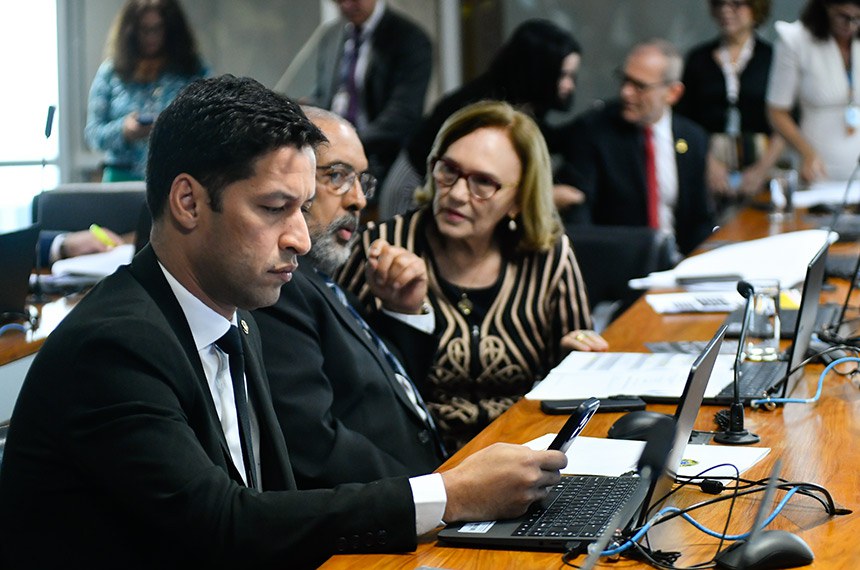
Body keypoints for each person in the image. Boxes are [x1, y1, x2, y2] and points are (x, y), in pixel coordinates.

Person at [0, 75, 567, 569]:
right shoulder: (115, 345)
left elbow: (277, 500)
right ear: (188, 203)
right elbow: (223, 524)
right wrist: (449, 494)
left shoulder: (236, 318)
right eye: (274, 209)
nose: (299, 237)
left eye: (302, 207)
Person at [338, 100, 606, 452]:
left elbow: (578, 363)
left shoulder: (546, 254)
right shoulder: (382, 248)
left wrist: (576, 356)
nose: (456, 194)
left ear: (518, 199)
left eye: (483, 182)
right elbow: (349, 379)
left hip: (523, 450)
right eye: (448, 170)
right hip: (422, 460)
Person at [254, 107, 445, 487]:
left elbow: (387, 395)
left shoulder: (322, 279)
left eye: (361, 180)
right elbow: (314, 446)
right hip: (388, 507)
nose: (358, 199)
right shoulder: (279, 287)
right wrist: (439, 493)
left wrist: (403, 310)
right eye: (338, 176)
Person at [382, 18, 584, 218]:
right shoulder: (485, 107)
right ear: (540, 72)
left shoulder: (524, 104)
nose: (569, 85)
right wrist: (547, 197)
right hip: (416, 186)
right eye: (563, 75)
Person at [559, 39, 715, 256]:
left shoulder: (693, 138)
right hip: (619, 262)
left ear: (673, 93)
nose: (626, 92)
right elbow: (580, 221)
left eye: (639, 86)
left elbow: (700, 220)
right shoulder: (594, 131)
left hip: (680, 262)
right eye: (625, 80)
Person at [308, 0, 431, 187]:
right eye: (338, 0)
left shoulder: (410, 39)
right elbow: (323, 97)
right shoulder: (332, 36)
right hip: (331, 156)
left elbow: (403, 115)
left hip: (383, 162)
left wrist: (344, 143)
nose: (347, 5)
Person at [84, 0, 207, 182]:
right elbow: (93, 134)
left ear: (171, 29)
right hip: (121, 177)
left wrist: (171, 128)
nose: (151, 37)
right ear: (131, 31)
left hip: (175, 176)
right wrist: (124, 130)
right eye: (144, 29)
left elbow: (210, 124)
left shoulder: (193, 69)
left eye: (157, 29)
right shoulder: (111, 72)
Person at [676, 0, 785, 205]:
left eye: (736, 4)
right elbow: (683, 123)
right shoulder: (698, 59)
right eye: (719, 3)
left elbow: (787, 122)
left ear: (756, 8)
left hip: (763, 167)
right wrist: (708, 164)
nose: (726, 10)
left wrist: (761, 170)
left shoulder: (773, 59)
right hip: (707, 168)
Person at [767, 0, 860, 182]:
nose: (851, 25)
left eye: (857, 18)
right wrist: (807, 152)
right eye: (843, 16)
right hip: (818, 169)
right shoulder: (796, 40)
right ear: (826, 6)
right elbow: (777, 112)